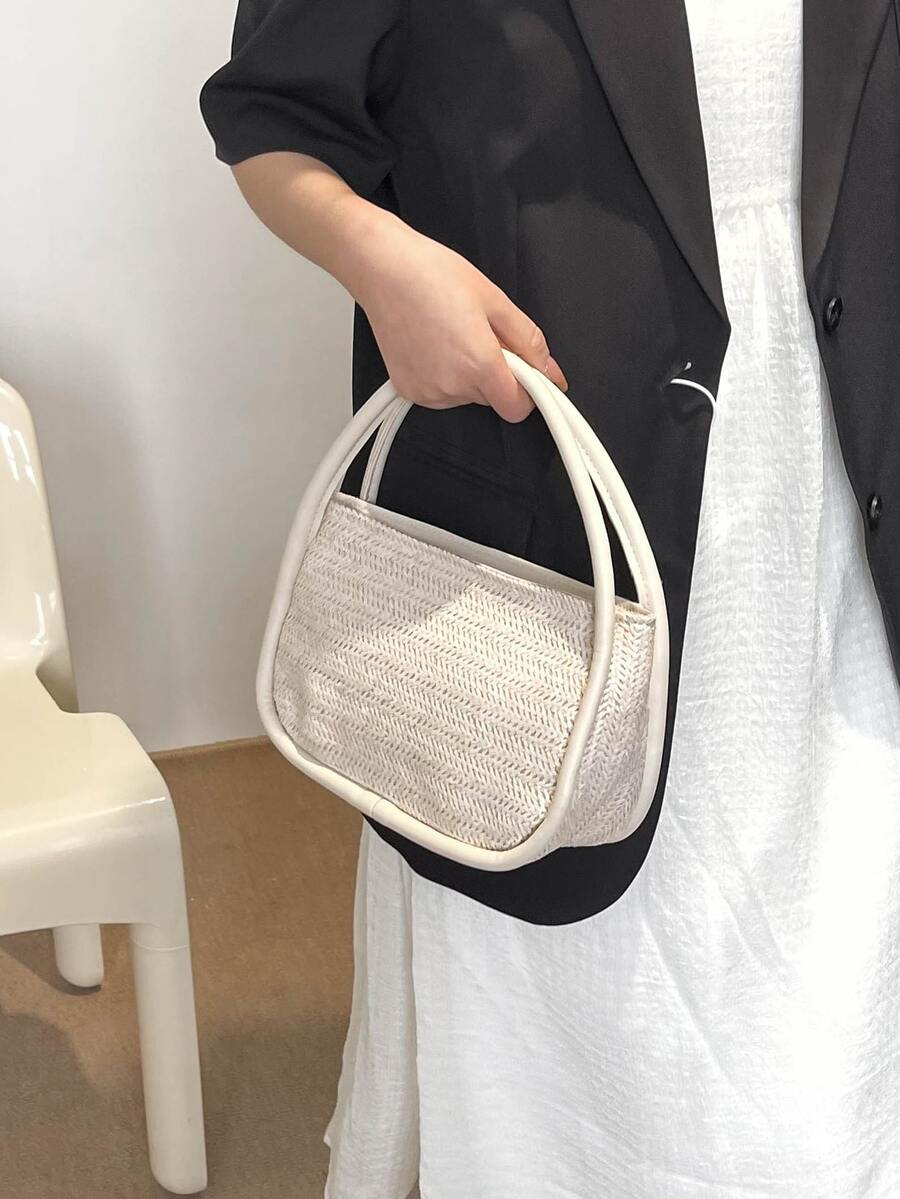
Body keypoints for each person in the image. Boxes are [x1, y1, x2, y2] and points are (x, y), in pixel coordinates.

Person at [200, 0, 900, 1194]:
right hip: (558, 542)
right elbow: (271, 117)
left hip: (834, 517)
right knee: (593, 1009)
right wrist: (383, 264)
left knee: (833, 991)